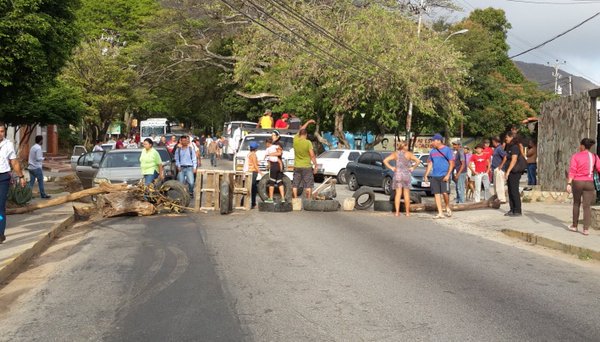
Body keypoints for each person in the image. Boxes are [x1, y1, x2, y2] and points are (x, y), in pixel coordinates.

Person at [566, 138, 600, 236]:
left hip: (578, 182)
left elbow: (572, 171)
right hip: (589, 183)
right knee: (587, 206)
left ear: (583, 146)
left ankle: (574, 226)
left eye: (580, 145)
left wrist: (568, 183)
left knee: (576, 203)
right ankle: (586, 229)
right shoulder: (594, 156)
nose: (579, 147)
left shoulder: (576, 156)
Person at [0, 126, 27, 243]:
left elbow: (14, 162)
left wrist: (21, 176)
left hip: (3, 178)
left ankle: (0, 234)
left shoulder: (8, 144)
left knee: (0, 207)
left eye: (1, 131)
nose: (0, 133)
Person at [384, 141, 420, 216]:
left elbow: (385, 161)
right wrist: (413, 167)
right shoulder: (409, 154)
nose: (407, 147)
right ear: (404, 146)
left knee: (398, 194)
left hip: (398, 175)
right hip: (406, 175)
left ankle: (397, 212)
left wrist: (392, 168)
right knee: (406, 194)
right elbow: (418, 161)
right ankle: (407, 212)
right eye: (407, 146)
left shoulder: (395, 154)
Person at [423, 134, 455, 218]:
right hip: (435, 175)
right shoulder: (432, 151)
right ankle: (440, 212)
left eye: (433, 140)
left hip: (444, 175)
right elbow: (430, 163)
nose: (432, 142)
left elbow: (452, 163)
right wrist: (426, 175)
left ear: (438, 141)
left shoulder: (447, 150)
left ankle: (447, 206)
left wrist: (448, 175)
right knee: (436, 194)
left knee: (445, 193)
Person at [292, 120, 318, 199]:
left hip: (297, 166)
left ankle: (295, 200)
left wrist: (308, 122)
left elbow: (301, 129)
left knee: (295, 184)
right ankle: (308, 200)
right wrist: (315, 165)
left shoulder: (295, 140)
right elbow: (312, 155)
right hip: (306, 166)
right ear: (306, 135)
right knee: (308, 185)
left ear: (299, 134)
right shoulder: (308, 142)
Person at [504, 131, 524, 217]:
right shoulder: (510, 147)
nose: (506, 139)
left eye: (507, 137)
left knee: (514, 190)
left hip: (514, 172)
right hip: (510, 171)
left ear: (511, 137)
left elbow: (514, 160)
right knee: (510, 190)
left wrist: (508, 171)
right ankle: (512, 209)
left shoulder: (515, 147)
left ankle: (517, 210)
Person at [265, 137, 285, 203]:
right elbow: (280, 151)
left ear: (268, 143)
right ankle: (283, 198)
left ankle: (270, 198)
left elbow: (268, 161)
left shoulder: (267, 149)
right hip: (279, 165)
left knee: (272, 182)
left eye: (266, 143)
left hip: (273, 166)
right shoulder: (275, 146)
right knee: (280, 182)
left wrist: (269, 155)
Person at [491, 136, 507, 203]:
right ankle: (497, 197)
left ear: (495, 141)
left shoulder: (499, 148)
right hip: (495, 168)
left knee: (499, 184)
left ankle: (501, 199)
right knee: (496, 184)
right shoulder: (496, 148)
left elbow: (505, 157)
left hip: (499, 169)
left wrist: (501, 166)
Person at [245, 142, 261, 209]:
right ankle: (253, 203)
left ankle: (245, 202)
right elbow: (254, 165)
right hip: (252, 171)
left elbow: (253, 162)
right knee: (253, 188)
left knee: (250, 187)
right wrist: (260, 172)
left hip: (250, 171)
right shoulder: (253, 155)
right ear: (255, 148)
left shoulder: (250, 154)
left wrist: (258, 162)